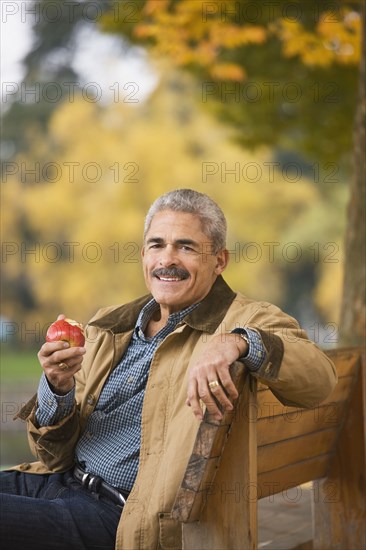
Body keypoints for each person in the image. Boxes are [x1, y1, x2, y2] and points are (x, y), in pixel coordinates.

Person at [0, 189, 337, 550]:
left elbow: (320, 379)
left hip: (120, 516)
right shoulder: (107, 326)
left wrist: (238, 342)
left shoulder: (246, 318)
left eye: (186, 247)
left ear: (220, 260)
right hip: (58, 481)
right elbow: (52, 456)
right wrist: (58, 386)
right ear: (144, 255)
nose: (168, 259)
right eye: (157, 245)